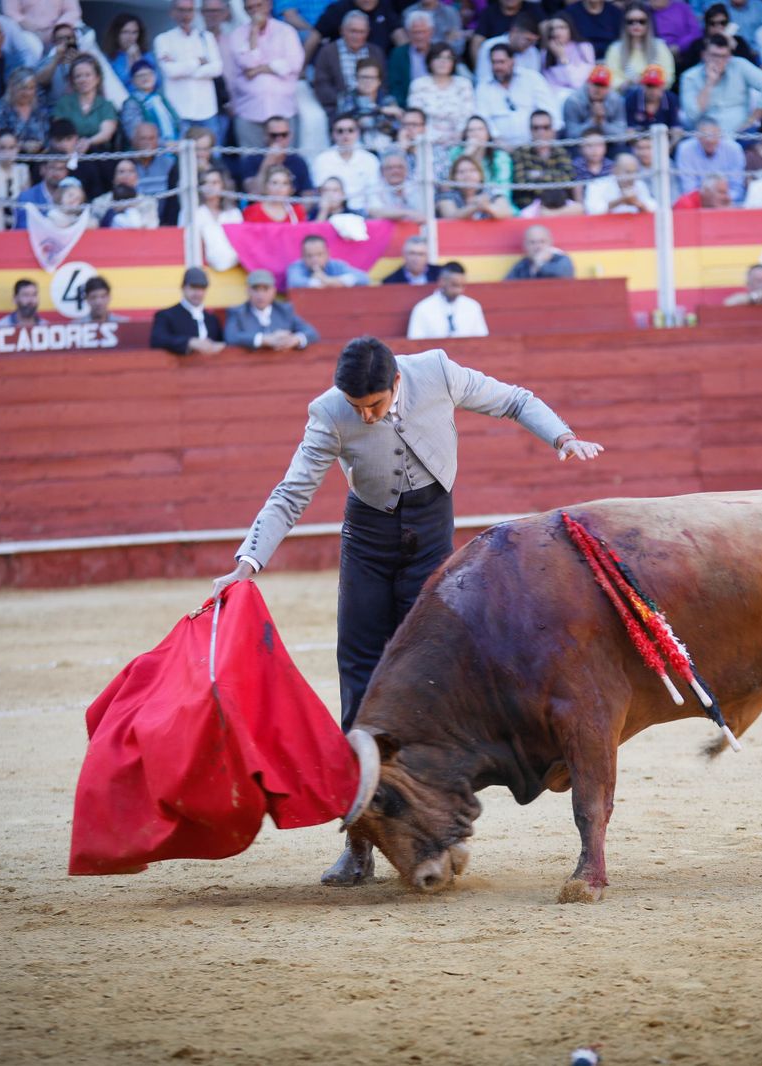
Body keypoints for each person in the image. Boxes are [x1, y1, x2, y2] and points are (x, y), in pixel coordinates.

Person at [209, 335, 604, 885]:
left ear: (397, 382)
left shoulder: (437, 373)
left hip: (431, 537)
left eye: (373, 405)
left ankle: (439, 824)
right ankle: (359, 843)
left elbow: (513, 399)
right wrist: (248, 562)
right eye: (357, 408)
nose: (365, 418)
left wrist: (560, 434)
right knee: (360, 678)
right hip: (368, 542)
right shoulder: (329, 412)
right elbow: (290, 493)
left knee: (434, 679)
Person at [680, 32, 762, 137]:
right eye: (714, 55)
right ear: (704, 55)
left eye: (723, 56)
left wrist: (752, 120)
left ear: (729, 57)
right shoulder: (689, 77)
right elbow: (692, 115)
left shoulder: (740, 65)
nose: (718, 60)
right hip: (706, 137)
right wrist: (709, 83)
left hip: (739, 133)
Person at [155, 0, 225, 133]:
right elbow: (170, 71)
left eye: (189, 10)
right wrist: (198, 62)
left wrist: (182, 67)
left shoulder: (206, 37)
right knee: (182, 153)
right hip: (179, 111)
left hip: (207, 110)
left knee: (212, 153)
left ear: (194, 13)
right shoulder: (163, 39)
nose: (185, 15)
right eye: (181, 10)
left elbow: (217, 68)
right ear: (172, 12)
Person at [475, 41, 554, 144]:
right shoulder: (483, 87)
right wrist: (501, 144)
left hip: (535, 146)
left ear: (513, 61)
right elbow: (483, 120)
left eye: (501, 62)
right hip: (499, 149)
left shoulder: (532, 79)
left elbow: (550, 112)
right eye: (494, 62)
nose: (497, 67)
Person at [313, 9, 384, 118]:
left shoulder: (376, 52)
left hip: (373, 107)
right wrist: (348, 101)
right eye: (353, 31)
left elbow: (384, 83)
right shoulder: (328, 52)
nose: (357, 36)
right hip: (338, 109)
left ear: (368, 32)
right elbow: (322, 85)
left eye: (362, 32)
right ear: (342, 30)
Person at [224, 268, 320, 350]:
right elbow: (231, 337)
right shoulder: (238, 312)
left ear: (274, 291)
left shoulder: (284, 310)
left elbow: (312, 333)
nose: (260, 295)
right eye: (256, 289)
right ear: (248, 291)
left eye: (265, 289)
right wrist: (265, 339)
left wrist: (295, 339)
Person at [312, 112, 382, 212]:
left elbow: (374, 196)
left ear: (358, 133)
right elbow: (321, 193)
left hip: (363, 212)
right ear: (333, 134)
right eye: (340, 131)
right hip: (333, 212)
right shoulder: (322, 160)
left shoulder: (370, 160)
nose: (346, 135)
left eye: (351, 130)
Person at [407, 41, 472, 146]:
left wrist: (456, 138)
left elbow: (468, 115)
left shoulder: (463, 84)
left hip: (458, 142)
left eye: (448, 58)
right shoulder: (418, 85)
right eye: (438, 57)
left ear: (453, 62)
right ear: (430, 61)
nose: (443, 62)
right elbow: (415, 118)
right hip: (425, 142)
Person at [406, 261, 488, 339]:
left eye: (462, 286)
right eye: (454, 285)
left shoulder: (473, 306)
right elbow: (415, 344)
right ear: (442, 282)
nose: (459, 290)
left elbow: (482, 341)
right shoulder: (422, 309)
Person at [604, 3, 675, 89]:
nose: (636, 25)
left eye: (642, 21)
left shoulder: (660, 46)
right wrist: (627, 84)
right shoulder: (615, 49)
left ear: (648, 23)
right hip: (625, 96)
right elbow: (611, 77)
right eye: (630, 22)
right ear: (624, 24)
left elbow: (669, 76)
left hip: (655, 94)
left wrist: (651, 83)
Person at [674, 115, 745, 199]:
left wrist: (722, 199)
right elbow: (688, 187)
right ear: (697, 136)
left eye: (714, 135)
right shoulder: (685, 149)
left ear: (720, 134)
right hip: (697, 203)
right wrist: (707, 200)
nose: (710, 140)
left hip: (728, 202)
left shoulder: (734, 149)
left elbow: (737, 187)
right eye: (705, 136)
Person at [437, 154, 514, 219]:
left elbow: (507, 212)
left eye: (472, 170)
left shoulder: (491, 192)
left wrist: (487, 207)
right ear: (454, 177)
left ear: (480, 175)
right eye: (461, 172)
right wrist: (474, 207)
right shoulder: (447, 196)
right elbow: (450, 216)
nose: (467, 175)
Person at [562, 63, 626, 139]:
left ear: (609, 88)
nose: (598, 89)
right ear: (588, 83)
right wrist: (593, 122)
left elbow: (621, 134)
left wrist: (602, 123)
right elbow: (571, 135)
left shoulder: (616, 100)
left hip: (607, 142)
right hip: (581, 144)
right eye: (595, 84)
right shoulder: (574, 101)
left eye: (602, 86)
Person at [288, 234, 372, 288]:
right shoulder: (296, 267)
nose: (315, 259)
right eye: (309, 256)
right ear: (302, 256)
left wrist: (329, 280)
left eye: (319, 254)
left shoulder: (336, 265)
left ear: (328, 253)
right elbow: (294, 282)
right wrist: (319, 282)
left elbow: (364, 278)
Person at [584, 152, 654, 214]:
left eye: (635, 172)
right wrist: (620, 201)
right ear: (615, 170)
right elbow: (592, 211)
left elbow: (654, 208)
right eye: (628, 172)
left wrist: (638, 203)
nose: (632, 177)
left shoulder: (639, 184)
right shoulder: (597, 185)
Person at [367, 150, 425, 222]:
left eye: (400, 167)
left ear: (407, 170)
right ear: (382, 171)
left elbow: (425, 212)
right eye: (390, 168)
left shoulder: (416, 187)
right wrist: (407, 213)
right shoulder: (376, 188)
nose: (395, 171)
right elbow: (375, 211)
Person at [505, 224, 574, 279]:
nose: (538, 246)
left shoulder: (561, 259)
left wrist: (540, 263)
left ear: (550, 242)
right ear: (525, 245)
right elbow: (506, 287)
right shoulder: (522, 265)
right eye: (532, 242)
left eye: (542, 242)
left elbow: (564, 276)